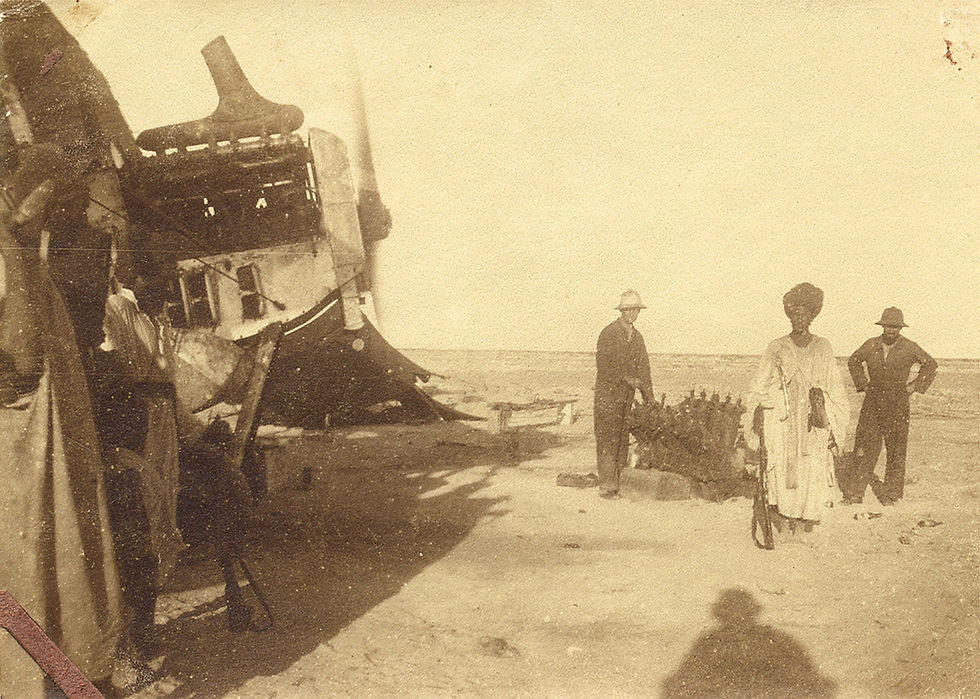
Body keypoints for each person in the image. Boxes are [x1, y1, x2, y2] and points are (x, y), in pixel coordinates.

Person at [0, 144, 123, 696]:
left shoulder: (24, 250)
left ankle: (70, 678)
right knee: (30, 562)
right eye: (47, 205)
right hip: (24, 437)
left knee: (54, 558)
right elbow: (20, 360)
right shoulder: (10, 247)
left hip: (47, 433)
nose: (46, 219)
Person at [741, 283, 849, 531]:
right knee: (784, 462)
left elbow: (835, 387)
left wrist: (830, 417)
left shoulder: (823, 346)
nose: (799, 319)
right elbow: (760, 383)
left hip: (812, 417)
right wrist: (759, 406)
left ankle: (806, 515)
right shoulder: (776, 346)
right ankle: (785, 513)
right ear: (790, 316)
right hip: (784, 417)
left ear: (812, 317)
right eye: (795, 314)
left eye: (805, 315)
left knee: (810, 464)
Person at [844, 307, 937, 505]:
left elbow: (930, 364)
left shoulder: (910, 347)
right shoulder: (871, 344)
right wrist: (863, 383)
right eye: (888, 326)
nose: (891, 330)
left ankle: (891, 494)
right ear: (882, 326)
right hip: (873, 401)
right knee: (865, 446)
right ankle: (855, 493)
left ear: (900, 328)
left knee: (896, 448)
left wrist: (915, 386)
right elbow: (853, 361)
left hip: (898, 403)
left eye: (895, 327)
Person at [594, 289, 653, 499]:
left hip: (625, 398)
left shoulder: (637, 338)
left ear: (638, 311)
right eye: (627, 310)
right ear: (621, 311)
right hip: (607, 396)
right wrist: (627, 379)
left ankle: (617, 481)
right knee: (608, 438)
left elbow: (644, 369)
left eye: (634, 310)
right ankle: (607, 486)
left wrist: (650, 399)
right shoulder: (609, 333)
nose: (630, 314)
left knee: (621, 439)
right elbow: (604, 366)